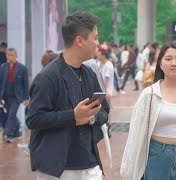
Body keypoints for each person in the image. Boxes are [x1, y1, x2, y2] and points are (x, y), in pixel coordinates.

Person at [26, 12, 110, 180]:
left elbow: (105, 112)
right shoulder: (47, 77)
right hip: (58, 169)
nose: (98, 44)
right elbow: (33, 119)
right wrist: (72, 115)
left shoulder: (89, 74)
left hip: (90, 165)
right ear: (79, 40)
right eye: (95, 38)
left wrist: (90, 118)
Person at [120, 40, 176, 180]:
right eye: (168, 59)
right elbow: (135, 134)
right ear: (161, 64)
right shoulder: (149, 94)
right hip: (157, 158)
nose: (173, 63)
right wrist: (128, 172)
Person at [0, 48, 29, 143]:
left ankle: (8, 134)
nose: (10, 57)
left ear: (16, 56)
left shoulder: (22, 68)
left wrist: (26, 97)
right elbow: (0, 82)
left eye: (12, 55)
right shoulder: (3, 67)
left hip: (16, 96)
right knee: (11, 115)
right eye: (8, 55)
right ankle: (16, 130)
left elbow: (26, 84)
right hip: (6, 95)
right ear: (6, 56)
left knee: (11, 114)